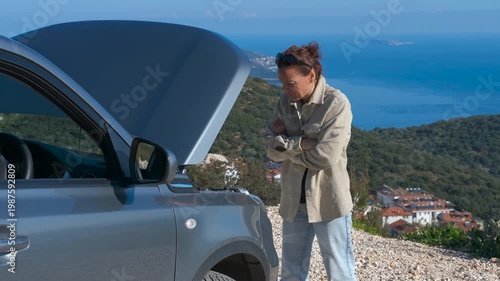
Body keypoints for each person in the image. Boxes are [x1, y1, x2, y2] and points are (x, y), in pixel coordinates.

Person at [263, 42, 357, 281]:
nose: (284, 90)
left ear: (311, 76)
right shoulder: (284, 103)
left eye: (290, 84)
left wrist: (287, 143)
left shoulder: (336, 104)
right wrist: (303, 143)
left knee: (339, 272)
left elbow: (325, 156)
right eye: (282, 84)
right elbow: (269, 149)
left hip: (329, 202)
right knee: (291, 271)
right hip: (294, 202)